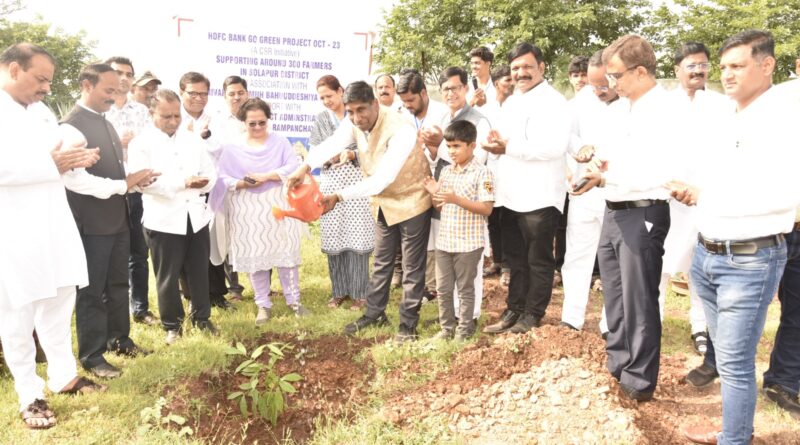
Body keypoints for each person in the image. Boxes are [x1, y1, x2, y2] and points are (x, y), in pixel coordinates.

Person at [673, 30, 800, 445]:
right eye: (723, 66)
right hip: (709, 254)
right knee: (726, 360)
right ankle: (734, 427)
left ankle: (734, 438)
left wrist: (707, 192)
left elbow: (781, 193)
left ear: (767, 66)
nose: (725, 74)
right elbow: (713, 174)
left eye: (737, 66)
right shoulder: (730, 115)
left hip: (749, 258)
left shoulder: (784, 116)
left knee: (735, 361)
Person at [0, 42, 106, 431]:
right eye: (40, 79)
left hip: (54, 220)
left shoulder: (43, 113)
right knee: (18, 309)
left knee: (60, 298)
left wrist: (77, 159)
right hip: (12, 227)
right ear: (14, 69)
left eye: (49, 80)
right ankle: (29, 394)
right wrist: (50, 164)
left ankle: (64, 376)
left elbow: (57, 162)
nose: (47, 88)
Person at [287, 81, 431, 343]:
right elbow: (331, 144)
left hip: (411, 200)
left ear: (375, 104)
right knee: (381, 261)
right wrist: (304, 167)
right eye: (351, 112)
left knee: (412, 266)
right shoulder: (354, 122)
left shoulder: (401, 129)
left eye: (361, 110)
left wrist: (339, 196)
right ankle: (375, 313)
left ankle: (408, 324)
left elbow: (381, 179)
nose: (356, 118)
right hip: (384, 203)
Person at [574, 35, 676, 401]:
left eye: (616, 76)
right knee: (614, 296)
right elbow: (613, 156)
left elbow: (658, 171)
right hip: (614, 209)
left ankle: (638, 379)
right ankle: (617, 363)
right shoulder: (622, 109)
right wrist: (595, 161)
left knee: (639, 299)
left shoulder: (665, 109)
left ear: (641, 71)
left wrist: (605, 176)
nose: (611, 83)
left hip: (644, 210)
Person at [60, 63, 158, 379]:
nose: (114, 97)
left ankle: (120, 339)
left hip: (117, 218)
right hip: (91, 224)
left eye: (118, 91)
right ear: (87, 86)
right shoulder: (71, 128)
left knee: (118, 284)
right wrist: (123, 185)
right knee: (92, 290)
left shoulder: (106, 122)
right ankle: (92, 355)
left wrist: (137, 180)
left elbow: (117, 171)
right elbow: (76, 180)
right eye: (108, 90)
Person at [482, 42, 570, 334]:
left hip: (540, 196)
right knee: (515, 259)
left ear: (541, 68)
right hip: (510, 195)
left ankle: (533, 314)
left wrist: (509, 147)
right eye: (516, 68)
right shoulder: (512, 102)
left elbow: (554, 148)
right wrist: (496, 145)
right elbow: (505, 145)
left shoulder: (555, 102)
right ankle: (514, 309)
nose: (521, 73)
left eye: (527, 67)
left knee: (538, 260)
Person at [128, 89, 219, 344]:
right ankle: (172, 325)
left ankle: (202, 318)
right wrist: (183, 182)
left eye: (176, 116)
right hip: (164, 219)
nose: (172, 121)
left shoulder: (192, 140)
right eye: (166, 116)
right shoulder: (141, 144)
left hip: (195, 216)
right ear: (151, 113)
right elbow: (145, 181)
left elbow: (211, 174)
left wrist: (201, 183)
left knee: (199, 271)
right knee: (167, 275)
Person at [208, 98, 309, 325]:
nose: (257, 128)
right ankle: (262, 304)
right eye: (251, 123)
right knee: (255, 256)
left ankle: (294, 301)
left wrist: (267, 176)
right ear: (243, 122)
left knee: (286, 253)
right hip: (246, 208)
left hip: (278, 204)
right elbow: (223, 177)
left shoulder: (280, 142)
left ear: (268, 120)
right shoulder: (233, 147)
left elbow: (292, 167)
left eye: (261, 123)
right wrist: (242, 184)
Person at [664, 43, 730, 385]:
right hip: (667, 196)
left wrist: (702, 189)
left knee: (700, 270)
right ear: (677, 68)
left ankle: (700, 328)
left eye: (703, 66)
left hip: (705, 199)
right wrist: (669, 183)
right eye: (691, 65)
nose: (698, 71)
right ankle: (653, 321)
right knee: (660, 265)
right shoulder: (662, 105)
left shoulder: (722, 105)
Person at [559, 50, 623, 335]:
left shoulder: (632, 102)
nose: (598, 91)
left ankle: (610, 323)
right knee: (577, 255)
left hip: (619, 192)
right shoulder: (582, 99)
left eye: (603, 84)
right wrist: (578, 148)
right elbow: (567, 134)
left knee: (614, 263)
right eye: (593, 84)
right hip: (584, 190)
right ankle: (571, 317)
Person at [309, 74, 375, 310]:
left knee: (357, 236)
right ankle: (339, 291)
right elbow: (316, 148)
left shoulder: (356, 118)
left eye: (329, 95)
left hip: (357, 184)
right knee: (335, 235)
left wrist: (351, 154)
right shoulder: (321, 120)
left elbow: (368, 146)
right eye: (322, 98)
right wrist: (331, 156)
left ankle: (360, 293)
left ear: (340, 91)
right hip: (331, 184)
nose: (326, 101)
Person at [425, 120, 494, 340]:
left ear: (472, 146)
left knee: (465, 288)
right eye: (449, 146)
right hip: (445, 241)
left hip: (469, 243)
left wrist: (456, 199)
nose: (452, 151)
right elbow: (440, 205)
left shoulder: (483, 173)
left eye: (457, 146)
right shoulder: (445, 172)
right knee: (443, 289)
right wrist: (435, 192)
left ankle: (465, 329)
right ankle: (447, 329)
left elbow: (486, 208)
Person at [104, 56, 156, 326]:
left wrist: (133, 142)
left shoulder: (141, 112)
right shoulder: (100, 108)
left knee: (138, 251)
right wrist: (116, 141)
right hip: (106, 191)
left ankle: (141, 308)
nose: (123, 78)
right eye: (118, 73)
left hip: (135, 190)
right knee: (111, 254)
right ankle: (114, 311)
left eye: (128, 74)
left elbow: (150, 145)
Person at [177, 71, 233, 309]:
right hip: (182, 190)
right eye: (193, 93)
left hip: (212, 189)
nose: (199, 98)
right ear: (182, 92)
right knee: (184, 243)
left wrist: (206, 136)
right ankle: (190, 295)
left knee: (213, 242)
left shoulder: (215, 119)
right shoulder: (172, 117)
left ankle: (217, 294)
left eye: (204, 93)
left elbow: (222, 150)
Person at [397, 69, 449, 301]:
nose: (407, 105)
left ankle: (440, 286)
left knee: (439, 232)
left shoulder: (443, 113)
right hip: (413, 181)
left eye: (411, 100)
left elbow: (451, 148)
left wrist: (435, 147)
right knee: (419, 236)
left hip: (439, 178)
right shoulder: (402, 115)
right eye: (404, 101)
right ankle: (425, 286)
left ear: (423, 93)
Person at [207, 75, 250, 303]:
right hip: (227, 187)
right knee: (227, 235)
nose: (236, 97)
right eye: (231, 93)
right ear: (224, 97)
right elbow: (214, 151)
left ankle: (261, 283)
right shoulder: (216, 122)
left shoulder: (255, 117)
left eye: (240, 92)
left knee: (254, 233)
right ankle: (234, 287)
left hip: (254, 187)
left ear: (247, 93)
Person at [481, 65, 513, 286]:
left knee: (509, 219)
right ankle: (498, 260)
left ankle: (510, 266)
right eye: (506, 80)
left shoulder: (519, 107)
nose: (511, 83)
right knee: (493, 218)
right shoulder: (487, 110)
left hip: (512, 169)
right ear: (496, 84)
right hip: (491, 170)